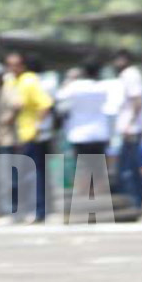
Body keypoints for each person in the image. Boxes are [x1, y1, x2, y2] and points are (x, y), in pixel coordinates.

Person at [5, 52, 53, 222]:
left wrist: (37, 127)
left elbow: (45, 104)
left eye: (16, 64)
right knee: (22, 176)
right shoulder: (12, 82)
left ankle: (39, 211)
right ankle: (27, 210)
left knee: (34, 174)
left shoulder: (29, 81)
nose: (13, 68)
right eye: (10, 65)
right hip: (18, 136)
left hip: (31, 136)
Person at [56, 57, 116, 187]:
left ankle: (85, 193)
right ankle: (98, 192)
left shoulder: (75, 86)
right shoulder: (103, 87)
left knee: (83, 168)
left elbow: (59, 96)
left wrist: (70, 79)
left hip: (80, 134)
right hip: (100, 132)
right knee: (98, 169)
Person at [112, 49, 142, 212]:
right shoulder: (128, 75)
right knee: (127, 168)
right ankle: (132, 203)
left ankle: (134, 203)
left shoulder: (130, 75)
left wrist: (130, 124)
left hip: (132, 129)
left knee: (128, 169)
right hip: (130, 128)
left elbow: (137, 100)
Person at [0, 64, 22, 222]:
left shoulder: (8, 90)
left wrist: (8, 120)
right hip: (0, 139)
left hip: (8, 140)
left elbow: (17, 105)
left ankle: (12, 211)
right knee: (4, 177)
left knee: (8, 177)